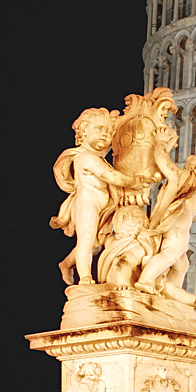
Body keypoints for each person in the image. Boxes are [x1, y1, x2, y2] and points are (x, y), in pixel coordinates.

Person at [50, 108, 150, 285]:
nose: (105, 135)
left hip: (104, 207)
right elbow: (112, 177)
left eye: (108, 131)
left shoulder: (98, 156)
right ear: (84, 131)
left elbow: (114, 127)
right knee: (87, 239)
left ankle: (66, 264)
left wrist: (134, 114)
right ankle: (85, 277)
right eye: (99, 129)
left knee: (95, 245)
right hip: (87, 203)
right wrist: (135, 181)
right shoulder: (86, 158)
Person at [134, 129, 196, 306]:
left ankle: (172, 299)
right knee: (170, 254)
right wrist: (160, 142)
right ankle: (145, 280)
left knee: (182, 265)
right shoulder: (186, 178)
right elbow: (164, 162)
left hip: (182, 229)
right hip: (175, 227)